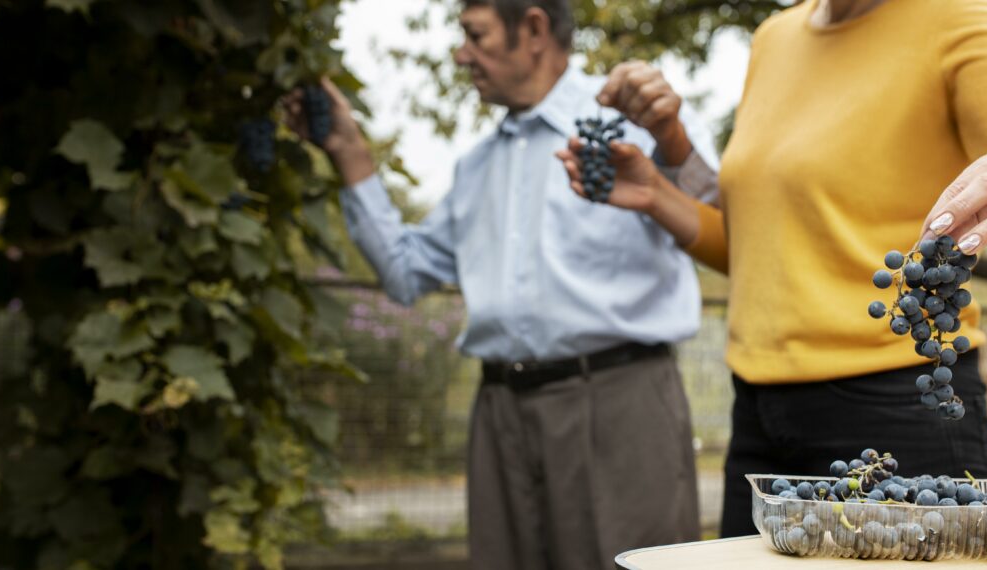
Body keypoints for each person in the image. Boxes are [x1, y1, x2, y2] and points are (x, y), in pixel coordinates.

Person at [557, 0, 987, 538]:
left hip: (901, 409)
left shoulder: (961, 18)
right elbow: (762, 252)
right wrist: (656, 194)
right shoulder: (774, 38)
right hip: (758, 417)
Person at [284, 1, 722, 567]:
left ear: (534, 29)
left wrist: (672, 137)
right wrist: (349, 151)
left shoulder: (634, 123)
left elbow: (718, 220)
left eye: (474, 35)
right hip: (500, 416)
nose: (460, 55)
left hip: (618, 409)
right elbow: (404, 273)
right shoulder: (477, 168)